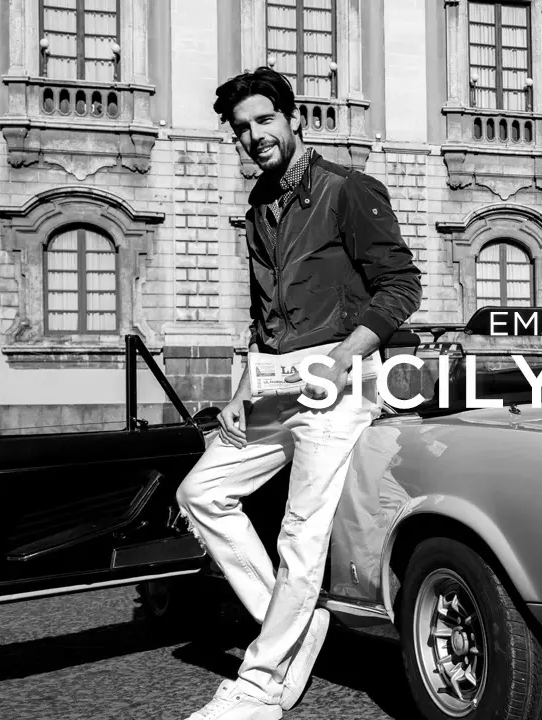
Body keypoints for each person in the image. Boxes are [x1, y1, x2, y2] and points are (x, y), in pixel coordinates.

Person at [176, 67, 423, 720]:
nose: (254, 136)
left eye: (263, 121)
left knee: (300, 537)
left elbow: (400, 286)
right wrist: (239, 390)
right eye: (241, 130)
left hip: (341, 384)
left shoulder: (349, 189)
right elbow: (264, 318)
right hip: (275, 383)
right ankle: (291, 624)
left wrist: (345, 360)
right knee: (200, 494)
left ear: (293, 121)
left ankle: (259, 690)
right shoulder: (259, 208)